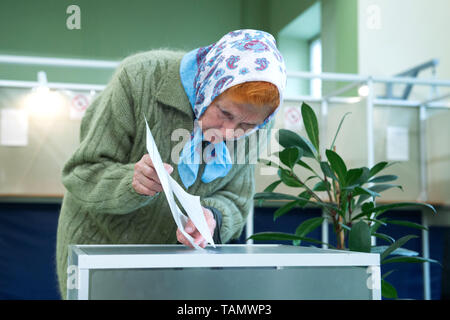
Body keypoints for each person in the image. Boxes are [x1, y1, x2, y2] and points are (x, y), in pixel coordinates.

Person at [55, 29, 286, 299]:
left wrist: (212, 218)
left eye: (246, 125)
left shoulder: (260, 128)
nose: (228, 132)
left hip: (178, 265)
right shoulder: (139, 78)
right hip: (102, 250)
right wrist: (131, 181)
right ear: (211, 85)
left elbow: (236, 198)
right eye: (224, 113)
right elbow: (82, 172)